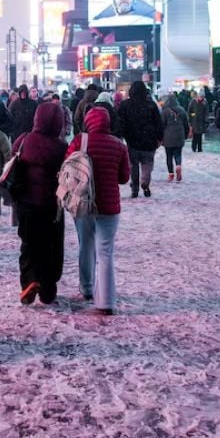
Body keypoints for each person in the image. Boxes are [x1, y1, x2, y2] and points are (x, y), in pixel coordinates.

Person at [68, 107, 131, 315]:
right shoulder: (119, 145)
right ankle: (106, 301)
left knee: (85, 245)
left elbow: (67, 166)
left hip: (84, 202)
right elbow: (124, 178)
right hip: (109, 206)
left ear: (88, 122)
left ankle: (87, 288)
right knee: (105, 252)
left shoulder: (80, 141)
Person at [11, 102, 68, 305]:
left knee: (28, 243)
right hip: (51, 203)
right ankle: (48, 289)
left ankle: (29, 280)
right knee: (51, 245)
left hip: (26, 201)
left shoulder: (24, 140)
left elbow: (12, 158)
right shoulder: (61, 147)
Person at [117, 80, 163, 197]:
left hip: (132, 140)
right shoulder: (151, 105)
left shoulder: (125, 105)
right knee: (147, 163)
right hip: (149, 140)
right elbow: (158, 123)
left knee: (133, 165)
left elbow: (120, 123)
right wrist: (159, 137)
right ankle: (145, 182)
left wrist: (121, 136)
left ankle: (135, 188)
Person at [161, 93, 190, 182]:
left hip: (168, 137)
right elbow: (186, 124)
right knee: (178, 154)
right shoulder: (182, 110)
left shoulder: (165, 111)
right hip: (179, 136)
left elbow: (161, 125)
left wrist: (160, 137)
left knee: (169, 156)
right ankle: (178, 165)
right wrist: (186, 135)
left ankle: (171, 174)